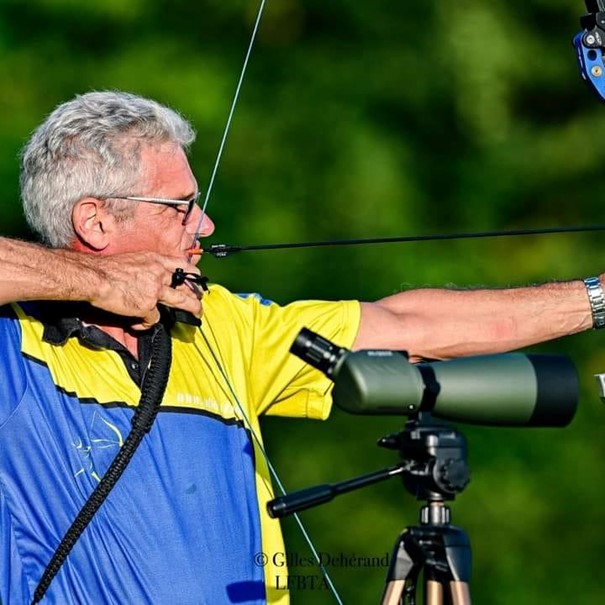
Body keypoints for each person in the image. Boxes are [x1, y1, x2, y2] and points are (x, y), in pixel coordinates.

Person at [0, 91, 599, 605]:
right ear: (96, 223)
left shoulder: (219, 327)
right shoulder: (13, 347)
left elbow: (410, 325)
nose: (204, 225)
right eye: (180, 208)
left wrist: (597, 299)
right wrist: (97, 283)